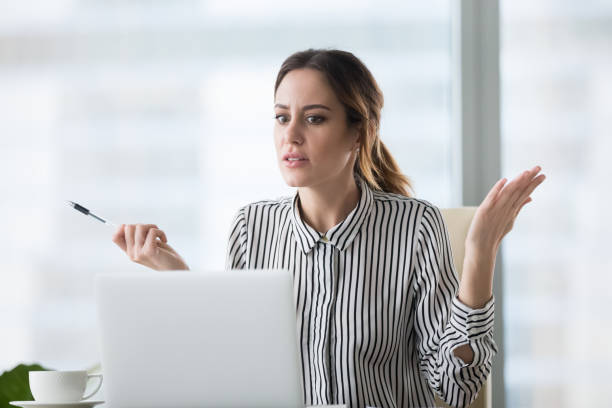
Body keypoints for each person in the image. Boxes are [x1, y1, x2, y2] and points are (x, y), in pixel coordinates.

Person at [112, 49, 545, 408]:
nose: (291, 136)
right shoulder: (251, 227)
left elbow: (455, 386)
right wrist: (179, 280)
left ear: (359, 132)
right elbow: (238, 374)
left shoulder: (416, 227)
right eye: (282, 117)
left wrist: (481, 252)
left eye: (314, 118)